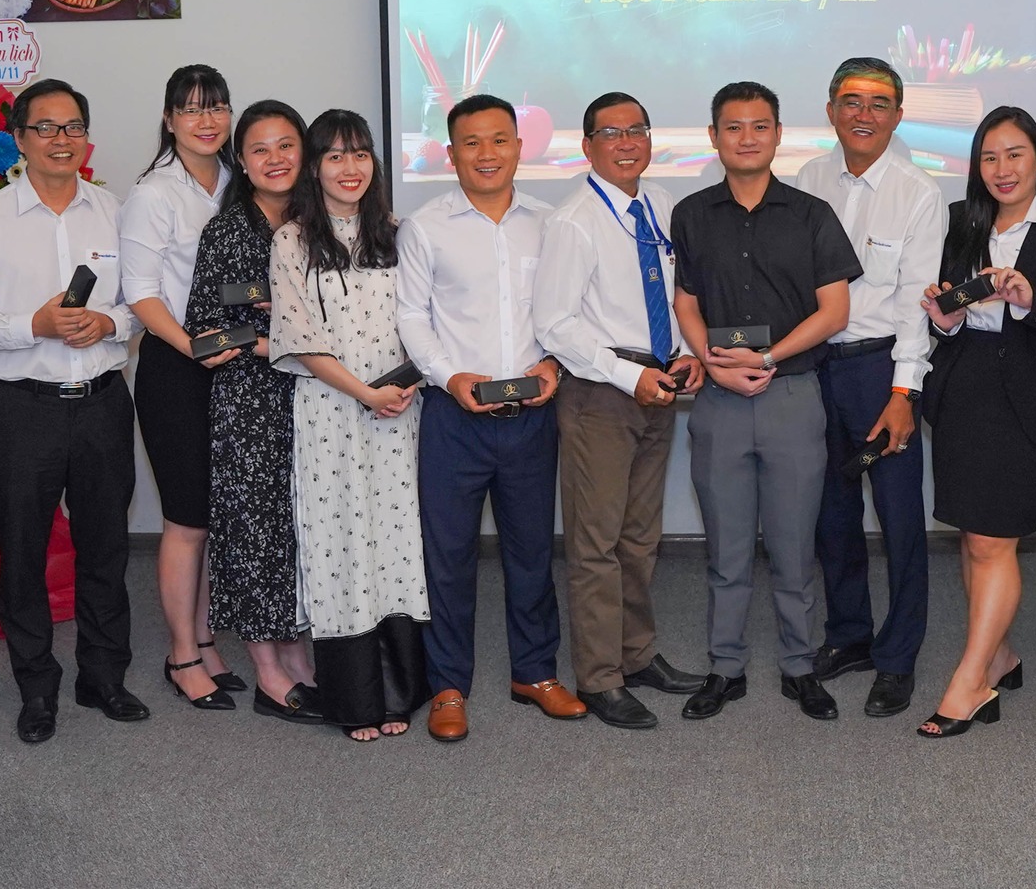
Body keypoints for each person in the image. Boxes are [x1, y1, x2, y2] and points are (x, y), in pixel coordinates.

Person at [0, 77, 147, 744]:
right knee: (22, 552)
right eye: (46, 128)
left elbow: (142, 304)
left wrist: (109, 323)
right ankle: (36, 686)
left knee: (106, 547)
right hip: (23, 410)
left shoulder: (115, 212)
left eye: (73, 127)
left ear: (87, 137)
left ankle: (103, 676)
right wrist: (34, 324)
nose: (62, 140)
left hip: (103, 403)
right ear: (20, 139)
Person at [669, 81, 860, 722]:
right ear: (713, 136)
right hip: (720, 401)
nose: (746, 138)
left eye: (759, 126)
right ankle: (725, 668)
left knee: (793, 546)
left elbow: (835, 312)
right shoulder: (692, 214)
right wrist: (713, 362)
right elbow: (687, 301)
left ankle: (799, 667)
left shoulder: (812, 214)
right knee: (725, 550)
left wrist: (770, 357)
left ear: (778, 134)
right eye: (733, 127)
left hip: (793, 396)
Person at [396, 93, 581, 742]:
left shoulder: (551, 224)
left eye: (499, 139)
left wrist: (554, 363)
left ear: (519, 147)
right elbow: (411, 315)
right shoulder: (425, 227)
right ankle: (448, 685)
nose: (486, 153)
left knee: (532, 552)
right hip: (454, 418)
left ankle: (536, 672)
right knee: (448, 556)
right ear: (451, 154)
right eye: (471, 142)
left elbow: (567, 311)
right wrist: (450, 376)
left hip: (532, 416)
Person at [532, 92, 710, 729]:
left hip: (658, 384)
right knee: (596, 545)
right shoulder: (574, 220)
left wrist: (687, 353)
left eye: (638, 129)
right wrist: (629, 376)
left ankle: (636, 654)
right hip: (601, 393)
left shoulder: (659, 203)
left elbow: (672, 292)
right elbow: (554, 325)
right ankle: (601, 677)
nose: (627, 142)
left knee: (639, 538)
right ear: (587, 146)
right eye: (611, 133)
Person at [916, 106, 1036, 738]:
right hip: (964, 392)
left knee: (995, 541)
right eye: (989, 157)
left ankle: (969, 684)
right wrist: (945, 319)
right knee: (973, 537)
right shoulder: (960, 222)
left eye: (1015, 154)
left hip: (1032, 396)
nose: (1002, 169)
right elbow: (949, 310)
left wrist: (1028, 299)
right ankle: (999, 656)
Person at [267, 110, 431, 742]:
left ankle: (400, 692)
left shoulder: (400, 233)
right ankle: (356, 699)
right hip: (331, 413)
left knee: (396, 539)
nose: (349, 167)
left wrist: (403, 387)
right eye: (334, 155)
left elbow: (424, 322)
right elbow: (300, 337)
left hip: (400, 410)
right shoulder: (292, 241)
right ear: (314, 167)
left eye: (360, 153)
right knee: (338, 542)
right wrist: (365, 393)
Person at [793, 57, 942, 718]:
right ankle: (849, 634)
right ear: (830, 110)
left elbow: (916, 305)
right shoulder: (806, 180)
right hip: (813, 368)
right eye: (851, 101)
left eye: (880, 103)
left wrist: (904, 395)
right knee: (831, 514)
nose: (864, 114)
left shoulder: (918, 193)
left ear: (898, 116)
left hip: (881, 371)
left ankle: (898, 656)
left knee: (900, 518)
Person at [185, 100, 322, 725]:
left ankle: (298, 655)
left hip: (317, 398)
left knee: (301, 530)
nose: (275, 159)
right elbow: (205, 330)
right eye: (260, 149)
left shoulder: (321, 222)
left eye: (286, 145)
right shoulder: (227, 230)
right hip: (250, 403)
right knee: (256, 533)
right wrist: (277, 338)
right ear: (241, 161)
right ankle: (268, 670)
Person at [119, 64, 242, 710]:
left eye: (216, 106)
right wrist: (194, 345)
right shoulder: (154, 193)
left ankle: (207, 640)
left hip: (237, 366)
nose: (206, 120)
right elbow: (140, 294)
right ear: (169, 120)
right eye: (192, 109)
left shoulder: (238, 180)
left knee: (215, 516)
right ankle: (181, 655)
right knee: (187, 519)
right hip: (178, 367)